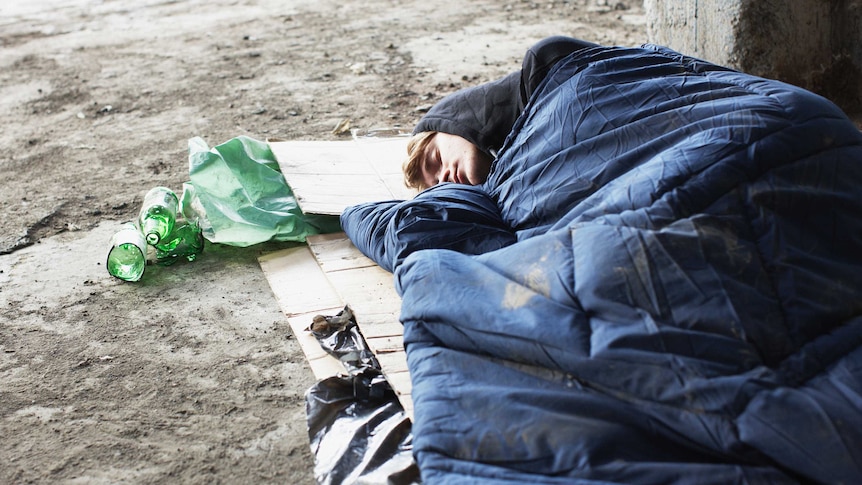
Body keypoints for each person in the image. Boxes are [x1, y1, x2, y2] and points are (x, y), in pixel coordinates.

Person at [402, 36, 598, 190]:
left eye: (436, 159)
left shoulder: (546, 65)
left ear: (450, 121)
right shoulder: (517, 188)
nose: (444, 177)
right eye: (437, 185)